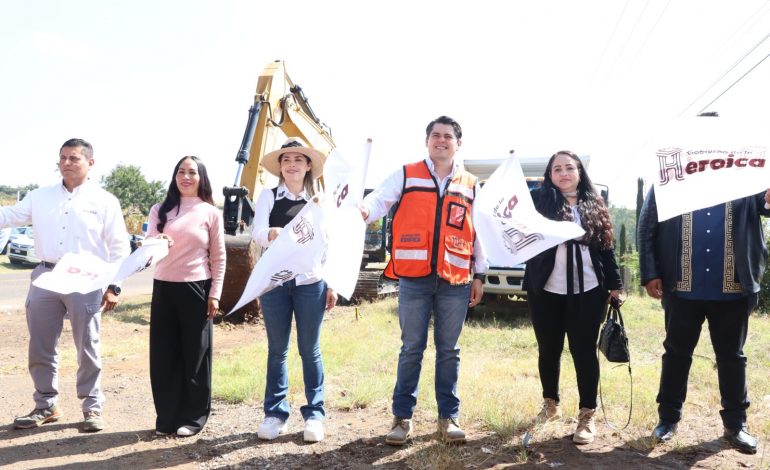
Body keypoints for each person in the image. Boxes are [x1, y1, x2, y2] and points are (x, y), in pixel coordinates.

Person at [360, 115, 485, 445]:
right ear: (427, 141)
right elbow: (378, 200)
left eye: (447, 136)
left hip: (455, 279)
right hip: (414, 278)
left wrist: (480, 274)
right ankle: (402, 419)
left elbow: (480, 232)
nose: (440, 140)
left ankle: (449, 418)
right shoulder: (406, 174)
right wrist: (362, 210)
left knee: (449, 351)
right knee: (411, 349)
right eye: (435, 135)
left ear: (458, 143)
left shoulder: (471, 184)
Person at [1, 138, 130, 432]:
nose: (67, 163)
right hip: (46, 277)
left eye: (74, 158)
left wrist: (115, 285)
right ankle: (46, 404)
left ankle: (92, 407)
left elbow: (119, 248)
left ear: (90, 163)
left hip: (87, 280)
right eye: (63, 158)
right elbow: (8, 216)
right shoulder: (39, 196)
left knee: (87, 347)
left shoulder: (105, 201)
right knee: (41, 345)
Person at [638, 187, 770, 454]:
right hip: (682, 286)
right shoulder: (671, 177)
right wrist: (650, 271)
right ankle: (668, 420)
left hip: (732, 285)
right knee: (676, 354)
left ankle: (736, 425)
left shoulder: (746, 175)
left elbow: (765, 205)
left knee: (732, 357)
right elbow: (647, 227)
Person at [522, 150, 623, 445]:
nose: (564, 173)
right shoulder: (539, 202)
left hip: (589, 290)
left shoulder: (595, 203)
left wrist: (615, 285)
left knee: (583, 351)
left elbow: (606, 248)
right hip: (546, 289)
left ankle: (587, 415)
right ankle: (550, 404)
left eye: (569, 168)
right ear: (549, 176)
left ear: (579, 172)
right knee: (548, 349)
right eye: (557, 169)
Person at [251, 137, 337, 443]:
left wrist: (332, 284)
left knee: (309, 350)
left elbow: (328, 246)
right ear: (280, 166)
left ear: (309, 165)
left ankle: (314, 414)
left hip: (311, 284)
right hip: (274, 283)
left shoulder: (320, 202)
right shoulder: (269, 196)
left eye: (298, 159)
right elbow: (258, 233)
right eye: (286, 160)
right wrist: (270, 233)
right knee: (278, 350)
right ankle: (275, 413)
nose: (291, 165)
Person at [145, 156, 225, 437]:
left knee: (195, 356)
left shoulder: (210, 213)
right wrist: (157, 240)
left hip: (197, 289)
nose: (186, 177)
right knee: (164, 355)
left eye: (192, 172)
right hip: (164, 287)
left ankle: (194, 417)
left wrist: (214, 294)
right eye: (181, 171)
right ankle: (167, 417)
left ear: (201, 178)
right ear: (174, 176)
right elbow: (149, 240)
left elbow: (219, 256)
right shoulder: (160, 209)